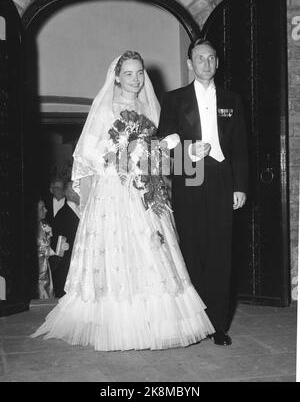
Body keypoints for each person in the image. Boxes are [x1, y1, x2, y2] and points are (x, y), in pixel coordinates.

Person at [31, 50, 215, 351]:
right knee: (119, 255)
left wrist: (188, 155)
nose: (136, 79)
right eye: (129, 73)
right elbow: (88, 153)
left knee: (151, 251)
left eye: (140, 72)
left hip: (143, 189)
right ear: (117, 76)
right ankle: (118, 324)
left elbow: (159, 155)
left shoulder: (151, 108)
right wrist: (122, 158)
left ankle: (151, 324)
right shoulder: (105, 108)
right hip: (114, 190)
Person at [158, 39, 248, 346]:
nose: (206, 64)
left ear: (217, 62)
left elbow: (240, 148)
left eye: (211, 58)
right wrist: (188, 150)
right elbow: (163, 146)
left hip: (223, 177)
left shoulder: (232, 99)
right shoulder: (173, 100)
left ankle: (219, 325)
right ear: (189, 64)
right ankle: (195, 323)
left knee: (221, 251)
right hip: (190, 176)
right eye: (199, 59)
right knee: (193, 250)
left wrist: (240, 187)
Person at [48, 180, 80, 298]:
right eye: (77, 190)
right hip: (68, 266)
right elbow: (58, 245)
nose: (79, 193)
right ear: (69, 193)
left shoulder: (83, 209)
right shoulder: (62, 215)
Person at [36, 198, 55, 300]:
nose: (46, 210)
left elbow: (49, 249)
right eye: (42, 208)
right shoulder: (26, 228)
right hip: (34, 269)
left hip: (45, 268)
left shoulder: (46, 227)